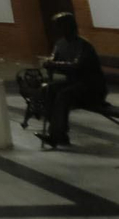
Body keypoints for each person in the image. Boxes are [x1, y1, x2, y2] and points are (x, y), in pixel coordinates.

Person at [40, 12, 107, 147]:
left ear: (69, 26)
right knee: (48, 89)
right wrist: (49, 63)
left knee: (64, 95)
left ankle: (57, 134)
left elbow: (77, 66)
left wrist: (54, 64)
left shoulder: (83, 45)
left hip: (91, 87)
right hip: (74, 84)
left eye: (59, 26)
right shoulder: (60, 44)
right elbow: (54, 60)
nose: (57, 29)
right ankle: (57, 131)